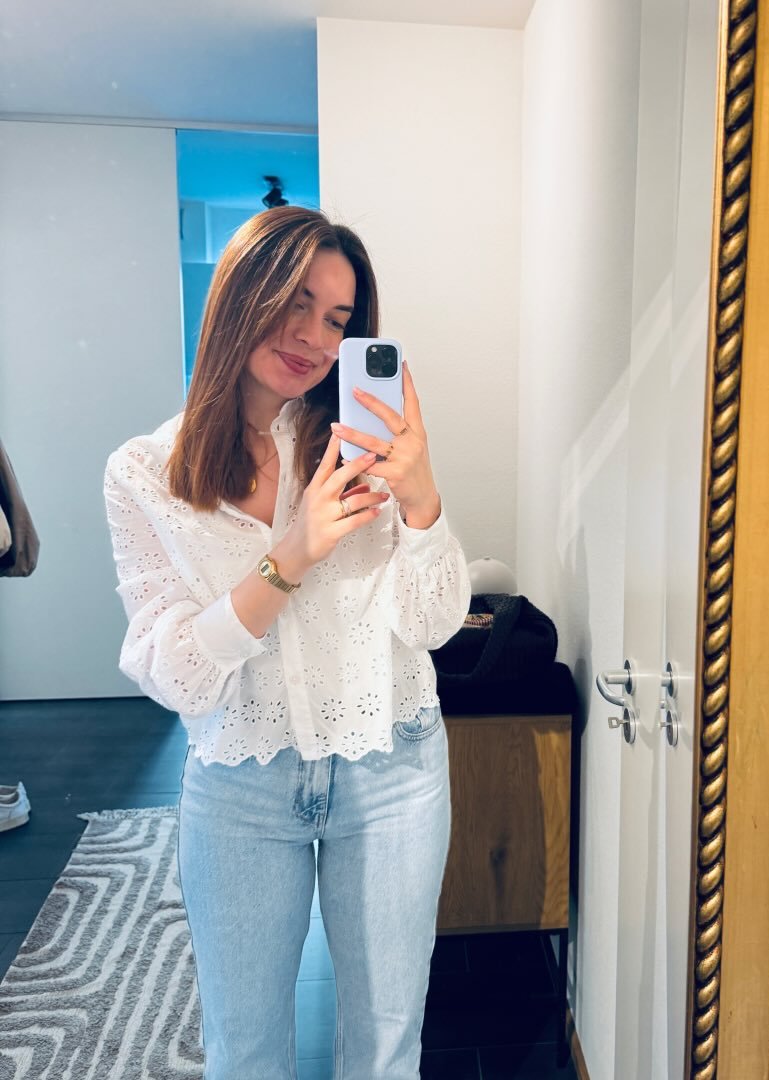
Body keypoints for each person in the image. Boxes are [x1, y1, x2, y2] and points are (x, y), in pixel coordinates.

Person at [103, 206, 470, 1080]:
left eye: (339, 320)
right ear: (242, 293)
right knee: (244, 1052)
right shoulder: (145, 474)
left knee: (386, 1049)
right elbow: (175, 673)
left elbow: (433, 625)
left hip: (392, 769)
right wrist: (292, 554)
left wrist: (421, 496)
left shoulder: (363, 448)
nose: (314, 338)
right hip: (241, 782)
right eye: (297, 302)